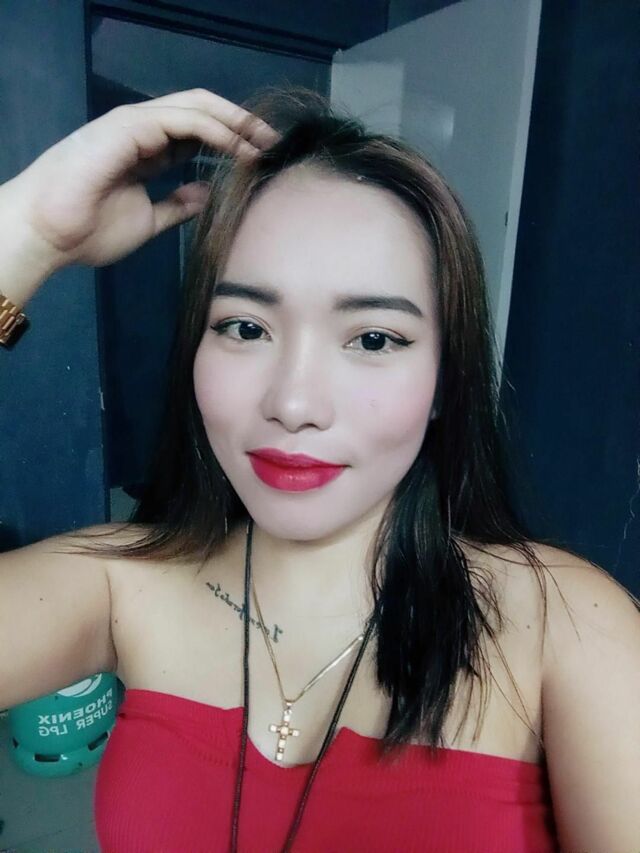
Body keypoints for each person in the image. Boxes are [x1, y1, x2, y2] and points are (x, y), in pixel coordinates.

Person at [0, 86, 638, 853]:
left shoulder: (567, 625)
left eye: (373, 339)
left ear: (446, 381)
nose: (294, 403)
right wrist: (25, 233)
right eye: (245, 327)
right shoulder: (118, 586)